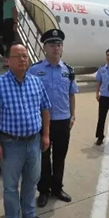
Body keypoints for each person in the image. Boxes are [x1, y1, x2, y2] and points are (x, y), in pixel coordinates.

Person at [0, 42, 51, 218]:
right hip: (11, 144)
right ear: (8, 61)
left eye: (25, 56)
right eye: (18, 56)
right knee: (11, 186)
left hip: (34, 142)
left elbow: (45, 109)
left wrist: (46, 135)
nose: (23, 59)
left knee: (31, 181)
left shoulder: (36, 82)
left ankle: (29, 214)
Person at [27, 29, 79, 207]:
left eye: (59, 45)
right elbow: (28, 95)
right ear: (44, 48)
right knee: (43, 157)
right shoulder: (35, 70)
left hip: (63, 120)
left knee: (60, 156)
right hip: (42, 121)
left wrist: (73, 116)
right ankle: (44, 190)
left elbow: (71, 95)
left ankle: (57, 187)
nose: (56, 48)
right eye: (52, 45)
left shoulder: (68, 71)